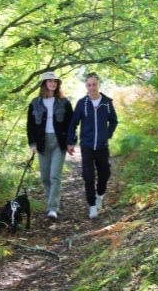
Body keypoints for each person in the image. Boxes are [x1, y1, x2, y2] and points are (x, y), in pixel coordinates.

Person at [67, 73, 119, 219]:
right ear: (86, 86)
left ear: (98, 85)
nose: (92, 87)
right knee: (88, 176)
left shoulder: (107, 103)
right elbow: (73, 123)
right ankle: (92, 206)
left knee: (105, 174)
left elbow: (113, 121)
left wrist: (107, 134)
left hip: (102, 146)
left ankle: (100, 195)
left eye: (94, 84)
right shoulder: (82, 103)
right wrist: (71, 142)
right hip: (87, 145)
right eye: (89, 85)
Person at [26, 72, 73, 220]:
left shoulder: (64, 102)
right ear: (44, 83)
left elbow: (71, 124)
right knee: (45, 177)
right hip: (42, 142)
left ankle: (53, 207)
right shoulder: (35, 103)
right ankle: (52, 200)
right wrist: (32, 143)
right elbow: (30, 125)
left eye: (55, 81)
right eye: (50, 81)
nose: (53, 83)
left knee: (54, 176)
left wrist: (71, 142)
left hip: (59, 142)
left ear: (58, 84)